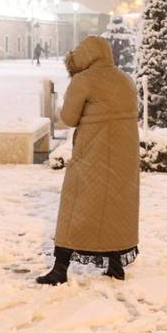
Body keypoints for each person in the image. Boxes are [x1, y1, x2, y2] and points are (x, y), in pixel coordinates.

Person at [37, 36, 139, 285]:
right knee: (115, 208)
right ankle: (115, 266)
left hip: (92, 153)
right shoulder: (125, 79)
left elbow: (68, 118)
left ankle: (60, 269)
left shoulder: (84, 80)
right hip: (124, 156)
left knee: (73, 208)